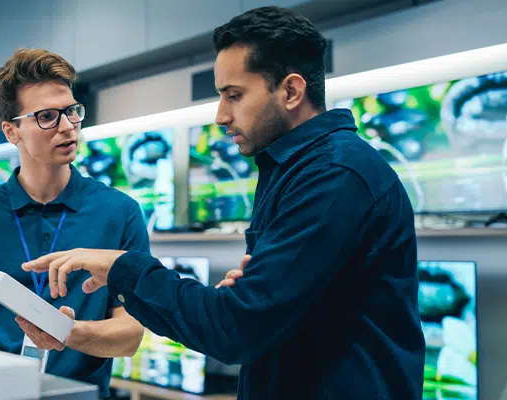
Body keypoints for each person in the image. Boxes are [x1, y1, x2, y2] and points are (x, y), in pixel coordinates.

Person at [21, 7, 425, 400]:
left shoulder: (334, 177)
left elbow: (234, 329)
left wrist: (121, 267)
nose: (220, 115)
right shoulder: (295, 169)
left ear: (290, 91)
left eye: (234, 96)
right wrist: (259, 291)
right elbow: (263, 316)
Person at [0, 48, 148, 397]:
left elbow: (130, 335)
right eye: (47, 116)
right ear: (11, 131)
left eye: (71, 112)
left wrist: (67, 332)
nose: (67, 127)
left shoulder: (119, 211)